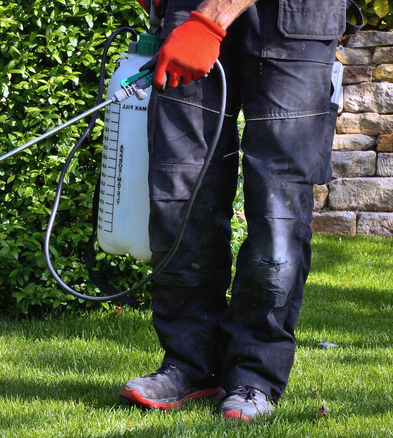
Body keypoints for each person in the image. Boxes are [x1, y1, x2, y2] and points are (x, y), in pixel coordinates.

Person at [119, 0, 351, 421]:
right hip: (187, 13)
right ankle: (190, 364)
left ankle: (254, 375)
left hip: (295, 19)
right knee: (181, 192)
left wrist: (210, 21)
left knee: (278, 206)